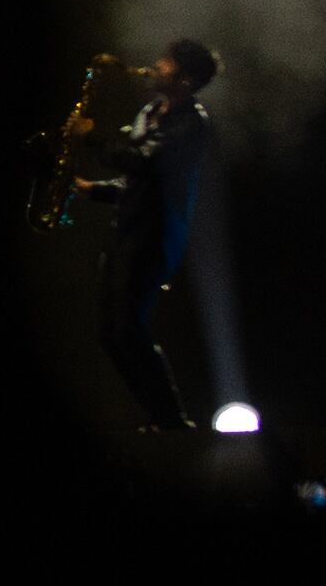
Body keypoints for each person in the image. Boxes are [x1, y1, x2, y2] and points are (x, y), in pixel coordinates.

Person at [67, 39, 218, 431]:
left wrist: (92, 138)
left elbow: (144, 163)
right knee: (111, 335)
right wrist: (93, 189)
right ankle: (160, 418)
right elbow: (136, 181)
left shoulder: (190, 123)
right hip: (126, 230)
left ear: (185, 80)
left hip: (154, 236)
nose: (157, 66)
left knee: (129, 330)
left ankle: (172, 421)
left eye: (167, 63)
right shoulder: (150, 112)